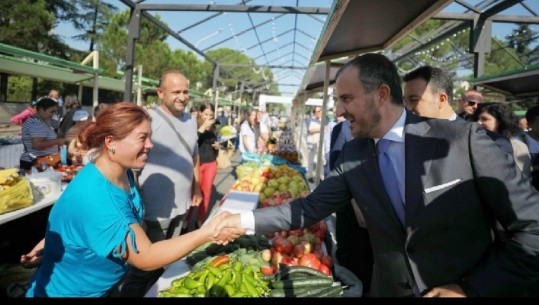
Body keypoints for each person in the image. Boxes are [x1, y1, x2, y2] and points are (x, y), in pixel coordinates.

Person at [215, 53, 539, 297]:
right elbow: (308, 208)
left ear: (381, 95)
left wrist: (468, 288)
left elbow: (531, 226)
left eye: (346, 99)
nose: (338, 112)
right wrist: (240, 221)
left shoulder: (462, 141)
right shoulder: (354, 155)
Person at [22, 102, 241, 297]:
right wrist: (206, 232)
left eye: (150, 137)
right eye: (142, 138)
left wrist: (56, 242)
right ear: (111, 142)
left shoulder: (121, 171)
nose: (150, 145)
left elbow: (72, 216)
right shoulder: (99, 198)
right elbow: (146, 256)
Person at [117, 70, 203, 297]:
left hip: (181, 205)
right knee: (144, 267)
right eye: (176, 92)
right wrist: (136, 212)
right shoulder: (147, 121)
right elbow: (131, 168)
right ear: (160, 93)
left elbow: (194, 156)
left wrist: (196, 186)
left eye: (185, 92)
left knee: (168, 261)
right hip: (155, 210)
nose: (182, 97)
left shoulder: (191, 120)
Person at [402, 65, 514, 156]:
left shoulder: (491, 142)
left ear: (441, 99)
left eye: (414, 100)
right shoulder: (408, 140)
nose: (408, 107)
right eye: (405, 101)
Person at [472, 102, 531, 177]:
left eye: (484, 119)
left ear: (500, 121)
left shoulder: (517, 146)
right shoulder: (473, 143)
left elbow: (521, 177)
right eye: (477, 119)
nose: (478, 123)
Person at [19, 98, 65, 172]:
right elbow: (38, 145)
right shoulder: (36, 123)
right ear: (41, 109)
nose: (53, 115)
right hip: (37, 163)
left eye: (55, 112)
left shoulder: (37, 121)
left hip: (37, 161)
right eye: (51, 111)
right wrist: (57, 142)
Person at [195, 103, 220, 228]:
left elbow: (214, 145)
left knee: (206, 193)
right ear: (200, 113)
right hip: (197, 164)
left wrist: (217, 147)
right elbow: (193, 142)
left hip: (210, 162)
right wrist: (203, 127)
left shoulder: (214, 128)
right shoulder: (195, 125)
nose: (208, 117)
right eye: (206, 114)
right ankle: (184, 221)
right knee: (193, 192)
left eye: (211, 115)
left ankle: (200, 220)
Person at [306, 106, 322, 183]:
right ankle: (310, 176)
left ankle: (319, 176)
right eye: (318, 111)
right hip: (311, 142)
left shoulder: (323, 120)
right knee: (311, 160)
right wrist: (321, 129)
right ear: (314, 113)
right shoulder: (310, 120)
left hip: (320, 142)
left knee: (320, 160)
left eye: (320, 111)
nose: (320, 112)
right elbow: (310, 130)